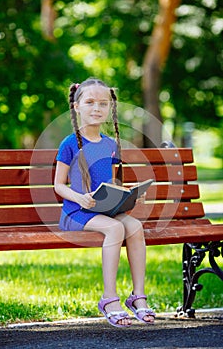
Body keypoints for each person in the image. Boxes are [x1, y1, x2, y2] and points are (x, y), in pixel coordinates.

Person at [54, 77, 156, 327]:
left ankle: (138, 297)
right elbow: (58, 185)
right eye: (89, 102)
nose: (97, 108)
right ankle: (109, 298)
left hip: (102, 211)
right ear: (77, 107)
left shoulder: (111, 144)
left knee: (134, 226)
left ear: (110, 108)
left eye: (103, 103)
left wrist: (127, 194)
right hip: (75, 213)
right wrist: (79, 197)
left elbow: (111, 185)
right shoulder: (69, 143)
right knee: (115, 228)